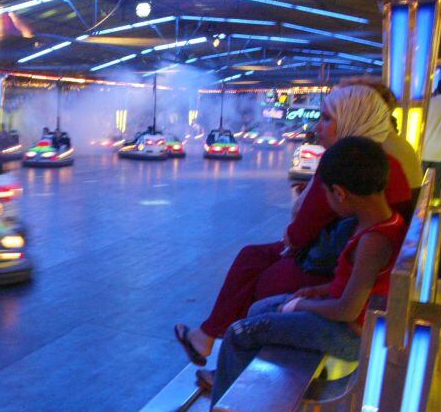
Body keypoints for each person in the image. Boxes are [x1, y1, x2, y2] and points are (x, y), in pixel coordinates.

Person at [183, 137, 406, 412]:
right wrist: (314, 292)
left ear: (340, 193)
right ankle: (244, 399)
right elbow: (352, 283)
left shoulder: (372, 240)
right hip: (342, 320)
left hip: (347, 334)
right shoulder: (379, 222)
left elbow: (348, 309)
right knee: (261, 309)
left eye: (326, 193)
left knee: (239, 332)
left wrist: (301, 306)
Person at [174, 78, 419, 366]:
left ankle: (229, 370)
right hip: (352, 271)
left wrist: (303, 298)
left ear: (356, 115)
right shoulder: (390, 154)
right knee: (254, 261)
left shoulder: (348, 161)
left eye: (327, 118)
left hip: (335, 282)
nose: (318, 128)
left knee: (263, 278)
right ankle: (210, 338)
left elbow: (300, 234)